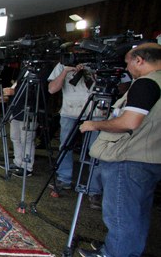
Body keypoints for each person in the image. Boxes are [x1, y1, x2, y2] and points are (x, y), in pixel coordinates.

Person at [77, 43, 161, 257]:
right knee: (137, 214)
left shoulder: (146, 83)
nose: (126, 69)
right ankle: (127, 252)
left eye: (128, 63)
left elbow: (129, 122)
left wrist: (94, 125)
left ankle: (114, 254)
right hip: (150, 157)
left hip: (128, 157)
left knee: (121, 215)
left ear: (139, 60)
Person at [47, 62, 103, 208]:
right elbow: (52, 89)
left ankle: (94, 189)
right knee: (65, 147)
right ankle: (64, 179)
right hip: (69, 112)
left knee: (96, 151)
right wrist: (65, 71)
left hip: (96, 113)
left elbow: (122, 87)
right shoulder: (63, 63)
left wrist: (97, 76)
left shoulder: (101, 60)